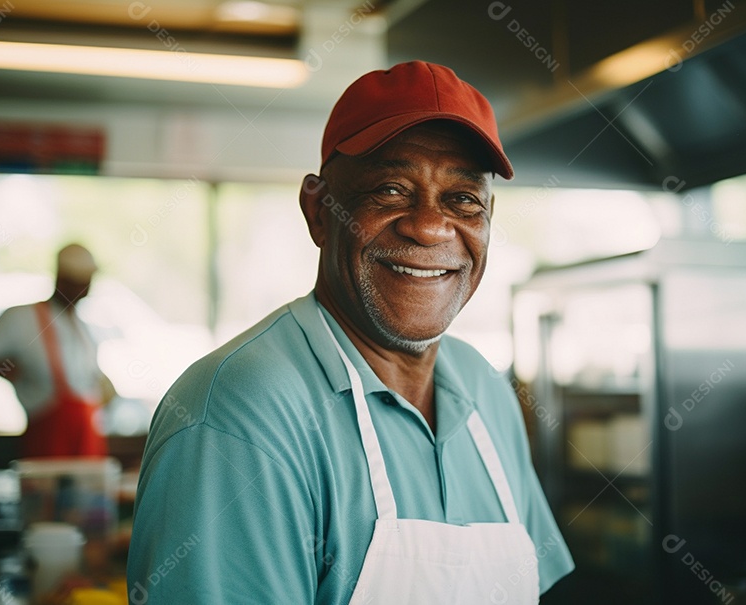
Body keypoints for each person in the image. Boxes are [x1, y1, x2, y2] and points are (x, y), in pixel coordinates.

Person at [128, 61, 574, 603]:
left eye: (463, 199)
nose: (430, 226)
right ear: (318, 210)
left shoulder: (485, 391)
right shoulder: (238, 413)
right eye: (390, 190)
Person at [0, 243, 110, 457]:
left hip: (87, 449)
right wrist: (1, 368)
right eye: (79, 284)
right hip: (47, 447)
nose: (85, 291)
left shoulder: (82, 327)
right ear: (62, 279)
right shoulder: (21, 318)